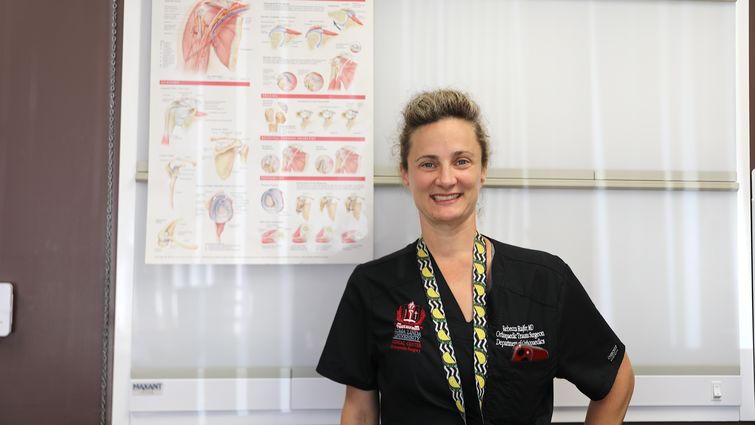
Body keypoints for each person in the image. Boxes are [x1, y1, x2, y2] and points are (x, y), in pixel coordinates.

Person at [317, 89, 635, 425]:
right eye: (428, 164)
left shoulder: (544, 280)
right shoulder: (372, 287)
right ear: (406, 174)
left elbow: (617, 379)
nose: (445, 178)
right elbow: (360, 410)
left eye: (461, 161)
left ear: (482, 170)